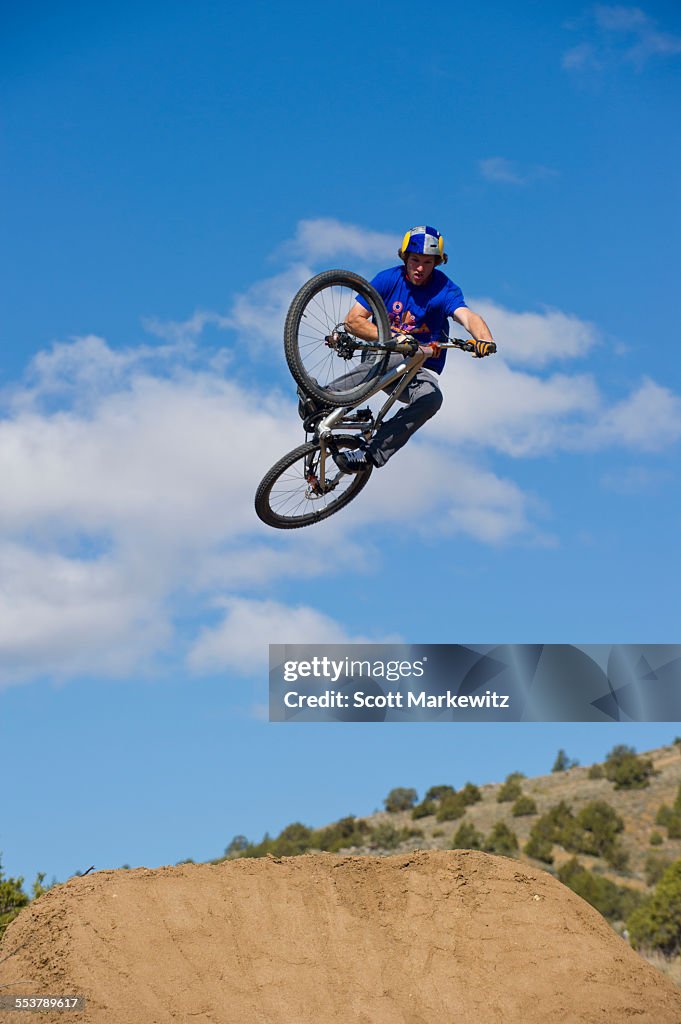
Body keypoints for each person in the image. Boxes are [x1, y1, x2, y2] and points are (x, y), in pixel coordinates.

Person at [332, 225, 495, 474]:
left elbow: (468, 317)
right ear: (405, 257)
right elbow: (354, 321)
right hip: (383, 354)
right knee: (400, 350)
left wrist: (484, 339)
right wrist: (395, 338)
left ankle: (369, 453)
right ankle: (325, 396)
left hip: (416, 368)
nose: (420, 268)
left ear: (437, 262)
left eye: (428, 262)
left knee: (432, 399)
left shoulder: (445, 290)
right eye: (415, 260)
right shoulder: (388, 279)